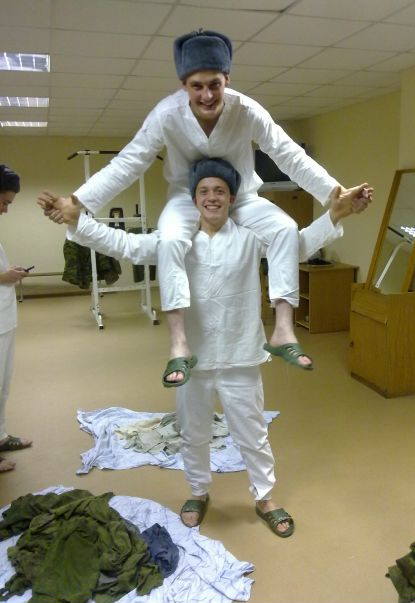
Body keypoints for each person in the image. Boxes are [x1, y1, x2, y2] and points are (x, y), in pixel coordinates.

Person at [38, 157, 367, 537]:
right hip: (193, 361)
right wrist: (78, 221)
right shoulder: (174, 242)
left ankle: (264, 498)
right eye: (204, 191)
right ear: (193, 199)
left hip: (241, 356)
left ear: (232, 198)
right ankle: (198, 491)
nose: (212, 197)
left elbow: (297, 245)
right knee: (193, 433)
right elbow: (124, 244)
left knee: (252, 433)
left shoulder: (249, 238)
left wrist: (335, 215)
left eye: (220, 191)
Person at [39, 29, 372, 388]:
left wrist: (332, 194)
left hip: (242, 195)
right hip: (186, 197)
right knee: (170, 239)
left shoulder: (247, 110)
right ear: (183, 84)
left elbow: (287, 152)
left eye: (215, 84)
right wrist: (79, 203)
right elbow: (129, 162)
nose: (207, 95)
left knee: (285, 229)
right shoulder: (166, 114)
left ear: (227, 79)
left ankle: (283, 330)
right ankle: (178, 342)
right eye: (197, 86)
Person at [0, 165, 32, 473]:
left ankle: (0, 436)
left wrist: (9, 273)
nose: (5, 210)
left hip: (4, 319)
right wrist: (3, 277)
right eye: (4, 202)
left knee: (3, 385)